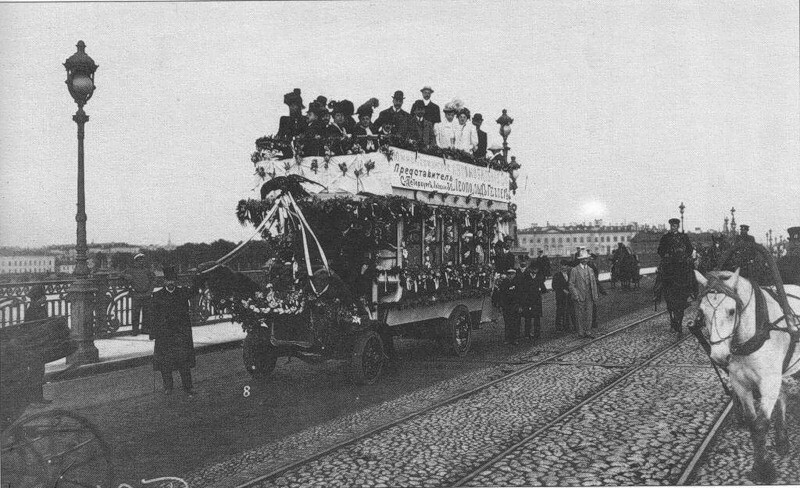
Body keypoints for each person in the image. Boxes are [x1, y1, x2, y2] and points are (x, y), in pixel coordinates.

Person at [150, 265, 198, 396]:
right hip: (165, 334)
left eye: (172, 280)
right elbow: (153, 315)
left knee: (184, 361)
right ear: (164, 281)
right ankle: (168, 387)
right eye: (168, 280)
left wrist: (197, 277)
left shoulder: (183, 292)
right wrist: (153, 332)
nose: (170, 283)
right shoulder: (157, 295)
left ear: (176, 281)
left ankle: (188, 387)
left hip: (180, 333)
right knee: (166, 362)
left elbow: (195, 291)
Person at [657, 217, 695, 333]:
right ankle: (657, 292)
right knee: (660, 274)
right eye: (672, 225)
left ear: (678, 226)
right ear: (670, 226)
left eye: (675, 225)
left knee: (691, 272)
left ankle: (693, 291)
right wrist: (666, 255)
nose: (673, 227)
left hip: (682, 262)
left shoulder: (683, 237)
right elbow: (660, 250)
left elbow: (690, 248)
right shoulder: (665, 237)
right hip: (669, 263)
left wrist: (685, 256)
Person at [24, 284, 51, 405]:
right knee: (37, 371)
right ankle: (35, 399)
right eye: (43, 296)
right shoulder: (33, 311)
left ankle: (38, 398)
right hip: (35, 346)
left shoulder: (37, 308)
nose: (45, 298)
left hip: (38, 344)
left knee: (39, 371)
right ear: (38, 298)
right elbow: (34, 329)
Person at [569, 249, 600, 339]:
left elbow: (593, 283)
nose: (584, 260)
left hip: (589, 295)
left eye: (586, 258)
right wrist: (576, 295)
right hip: (579, 295)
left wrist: (595, 295)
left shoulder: (590, 270)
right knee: (579, 314)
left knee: (589, 314)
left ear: (588, 259)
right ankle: (580, 332)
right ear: (579, 259)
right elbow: (571, 284)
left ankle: (588, 331)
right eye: (582, 259)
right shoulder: (575, 270)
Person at [123, 253, 156, 336]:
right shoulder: (130, 270)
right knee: (135, 313)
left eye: (142, 260)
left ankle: (145, 329)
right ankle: (135, 330)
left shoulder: (147, 270)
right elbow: (121, 274)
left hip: (147, 294)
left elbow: (153, 280)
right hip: (136, 294)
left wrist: (150, 291)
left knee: (147, 313)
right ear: (135, 261)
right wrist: (126, 277)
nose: (141, 262)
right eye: (139, 260)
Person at [517, 259, 548, 342]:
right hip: (528, 300)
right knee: (528, 317)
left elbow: (544, 289)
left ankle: (537, 333)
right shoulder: (525, 276)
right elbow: (522, 289)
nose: (535, 271)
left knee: (537, 317)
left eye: (536, 269)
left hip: (537, 300)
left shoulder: (539, 276)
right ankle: (527, 334)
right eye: (533, 269)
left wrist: (541, 290)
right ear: (530, 269)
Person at [495, 268, 520, 345]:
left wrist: (520, 306)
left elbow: (520, 295)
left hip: (515, 305)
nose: (510, 276)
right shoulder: (504, 283)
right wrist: (501, 305)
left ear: (515, 274)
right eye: (509, 274)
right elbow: (501, 295)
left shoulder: (517, 283)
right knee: (507, 322)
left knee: (515, 322)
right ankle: (508, 338)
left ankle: (515, 338)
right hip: (506, 306)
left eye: (512, 274)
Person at [552, 262, 572, 331]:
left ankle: (566, 325)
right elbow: (554, 286)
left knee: (568, 310)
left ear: (567, 266)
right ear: (560, 266)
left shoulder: (570, 274)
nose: (564, 267)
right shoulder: (557, 275)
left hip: (569, 295)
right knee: (560, 310)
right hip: (560, 296)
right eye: (562, 266)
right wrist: (562, 290)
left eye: (565, 265)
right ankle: (558, 326)